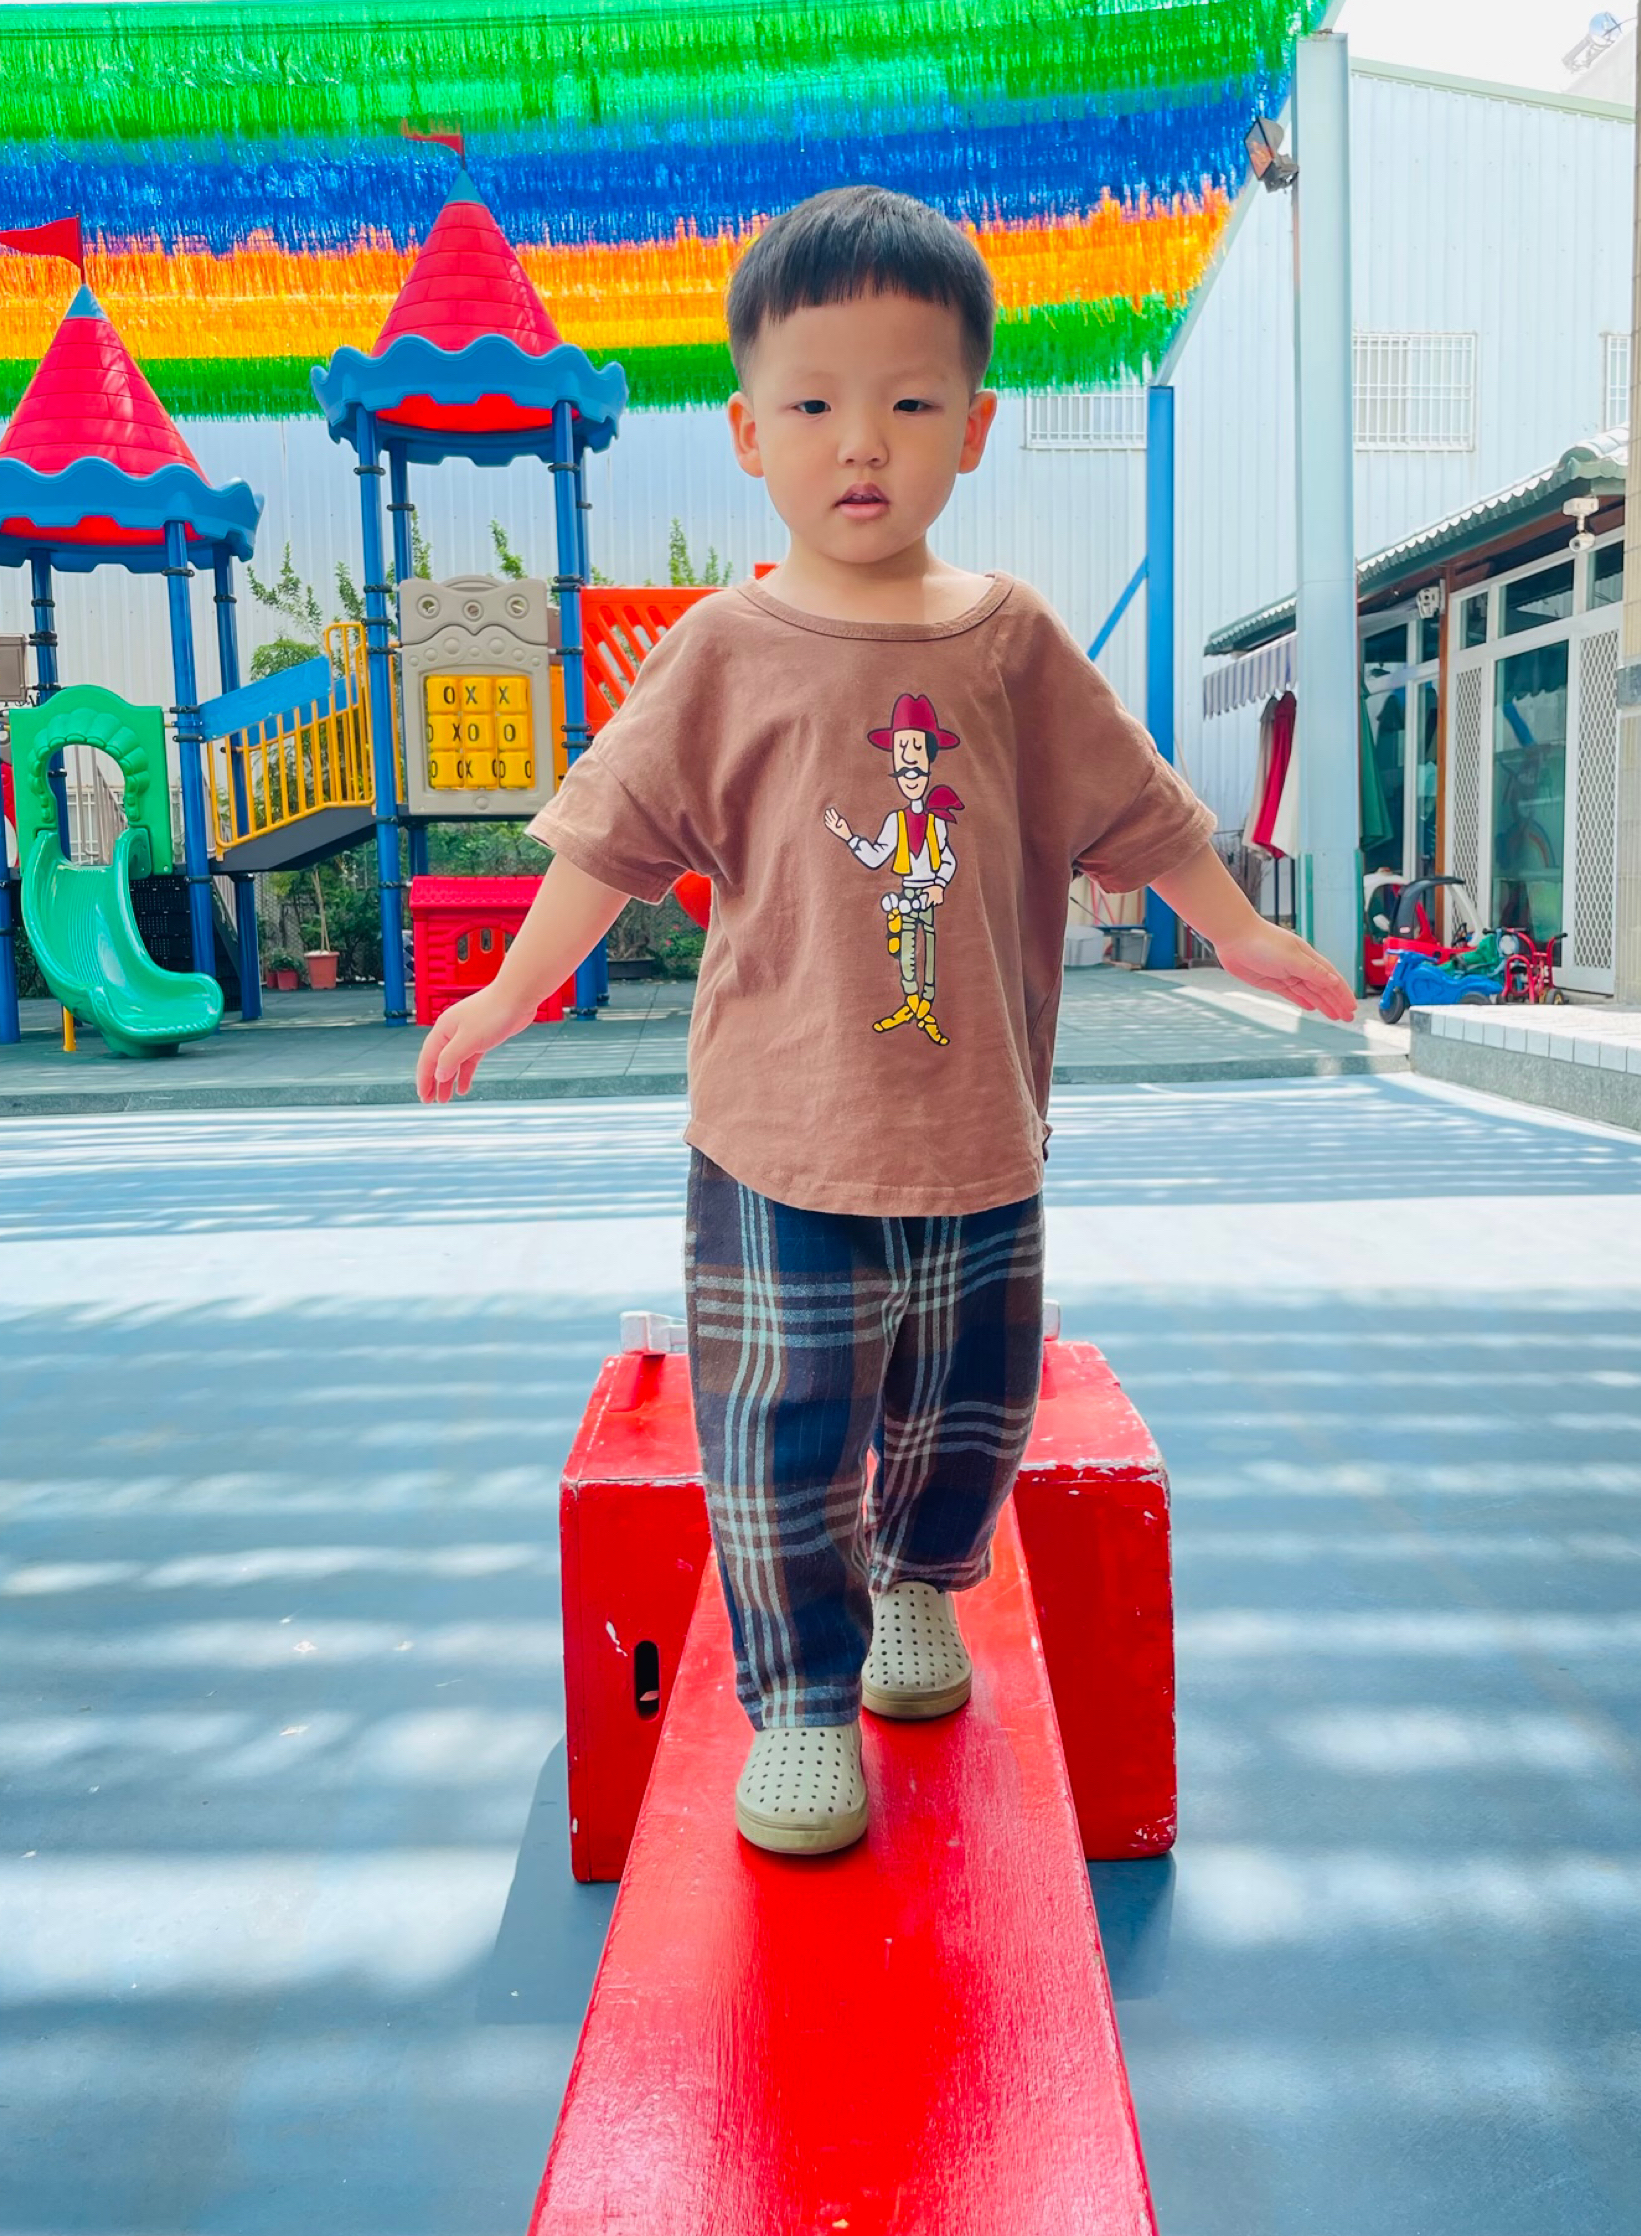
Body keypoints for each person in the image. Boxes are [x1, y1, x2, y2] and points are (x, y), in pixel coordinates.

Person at [415, 184, 1354, 1858]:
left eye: (911, 403)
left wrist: (1240, 931)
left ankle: (920, 1584)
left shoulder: (1009, 645)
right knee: (780, 1425)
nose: (863, 442)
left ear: (974, 428)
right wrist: (509, 987)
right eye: (814, 406)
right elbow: (608, 842)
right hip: (777, 1135)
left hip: (977, 1124)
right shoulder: (723, 650)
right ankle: (798, 1704)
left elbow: (1138, 812)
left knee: (965, 1403)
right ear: (748, 432)